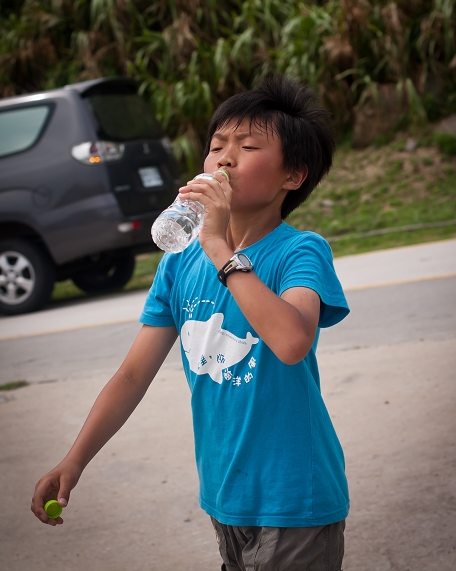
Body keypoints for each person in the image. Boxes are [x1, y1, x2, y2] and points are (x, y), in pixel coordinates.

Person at [31, 75, 350, 570]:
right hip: (225, 495)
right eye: (216, 146)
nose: (224, 158)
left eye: (247, 146)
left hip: (295, 498)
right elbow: (132, 375)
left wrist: (220, 246)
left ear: (294, 176)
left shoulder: (300, 251)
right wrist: (74, 460)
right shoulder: (180, 264)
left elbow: (291, 341)